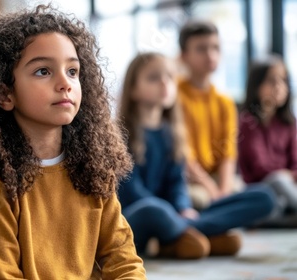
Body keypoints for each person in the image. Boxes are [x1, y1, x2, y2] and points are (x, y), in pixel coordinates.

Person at [0, 5, 146, 279]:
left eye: (72, 71)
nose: (64, 83)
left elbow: (124, 260)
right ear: (4, 94)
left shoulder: (93, 171)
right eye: (43, 71)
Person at [117, 52, 275, 259]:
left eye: (170, 77)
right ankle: (202, 233)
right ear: (133, 89)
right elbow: (130, 192)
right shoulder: (118, 134)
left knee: (264, 197)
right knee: (153, 209)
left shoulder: (172, 134)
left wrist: (183, 208)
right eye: (154, 78)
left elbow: (177, 184)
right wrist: (173, 212)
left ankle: (180, 237)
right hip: (138, 216)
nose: (165, 83)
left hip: (173, 216)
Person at [177, 20, 241, 210]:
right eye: (201, 49)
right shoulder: (173, 96)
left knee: (250, 193)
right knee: (198, 199)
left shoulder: (225, 101)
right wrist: (211, 188)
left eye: (215, 47)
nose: (211, 55)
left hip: (214, 178)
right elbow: (182, 155)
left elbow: (228, 153)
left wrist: (224, 189)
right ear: (183, 56)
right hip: (187, 180)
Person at [238, 56, 297, 227]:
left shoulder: (289, 122)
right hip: (261, 188)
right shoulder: (248, 122)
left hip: (287, 189)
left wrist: (291, 175)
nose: (279, 87)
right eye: (271, 81)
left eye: (283, 80)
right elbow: (259, 167)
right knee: (278, 180)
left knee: (282, 195)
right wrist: (287, 175)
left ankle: (283, 218)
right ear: (257, 85)